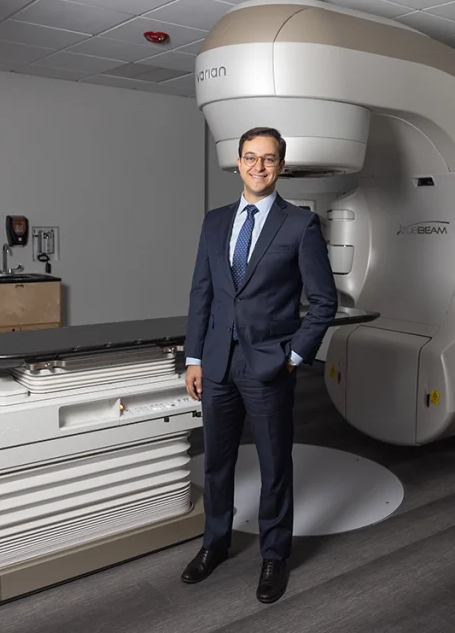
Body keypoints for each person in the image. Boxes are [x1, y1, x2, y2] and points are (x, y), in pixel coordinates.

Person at [180, 126, 338, 604]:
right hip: (217, 365)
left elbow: (324, 301)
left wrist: (294, 356)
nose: (258, 166)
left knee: (274, 464)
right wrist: (194, 357)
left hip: (270, 365)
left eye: (268, 159)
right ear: (238, 162)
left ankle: (274, 555)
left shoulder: (300, 225)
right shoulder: (214, 222)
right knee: (217, 463)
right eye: (250, 157)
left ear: (281, 166)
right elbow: (202, 294)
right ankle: (215, 543)